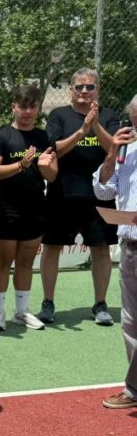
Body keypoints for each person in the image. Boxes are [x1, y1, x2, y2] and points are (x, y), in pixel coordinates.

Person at [39, 68, 121, 326]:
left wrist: (94, 125)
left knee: (101, 250)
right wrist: (80, 132)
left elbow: (114, 150)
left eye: (90, 87)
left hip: (99, 195)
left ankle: (100, 304)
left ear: (97, 90)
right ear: (71, 90)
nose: (84, 91)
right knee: (51, 248)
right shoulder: (58, 115)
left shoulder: (109, 116)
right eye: (79, 87)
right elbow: (52, 151)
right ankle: (48, 303)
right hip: (61, 195)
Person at [0, 85, 58, 332]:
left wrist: (46, 165)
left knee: (26, 263)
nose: (27, 111)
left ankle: (21, 311)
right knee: (3, 262)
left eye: (33, 107)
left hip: (36, 209)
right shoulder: (1, 137)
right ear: (13, 108)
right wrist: (21, 164)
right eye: (23, 106)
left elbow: (52, 174)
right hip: (7, 209)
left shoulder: (44, 137)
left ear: (38, 109)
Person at [93, 95, 137, 410]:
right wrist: (111, 152)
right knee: (132, 321)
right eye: (134, 119)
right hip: (131, 245)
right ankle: (134, 389)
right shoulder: (126, 150)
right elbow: (102, 189)